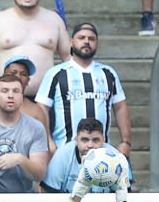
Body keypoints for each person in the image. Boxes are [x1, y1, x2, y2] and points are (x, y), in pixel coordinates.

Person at [36, 23, 131, 153]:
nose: (86, 41)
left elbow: (120, 107)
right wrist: (48, 140)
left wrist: (126, 141)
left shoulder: (108, 73)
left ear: (97, 43)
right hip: (64, 150)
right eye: (81, 38)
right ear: (71, 42)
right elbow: (41, 108)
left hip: (101, 152)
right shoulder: (56, 73)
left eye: (91, 39)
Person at [0, 74, 50, 194]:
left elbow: (39, 174)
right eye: (5, 91)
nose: (10, 95)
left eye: (16, 91)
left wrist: (20, 159)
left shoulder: (36, 127)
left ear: (22, 98)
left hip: (22, 197)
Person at [42, 117, 122, 194]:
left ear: (103, 140)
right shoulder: (62, 156)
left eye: (95, 140)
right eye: (85, 140)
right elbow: (47, 193)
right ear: (76, 140)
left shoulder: (115, 158)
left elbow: (124, 196)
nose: (90, 145)